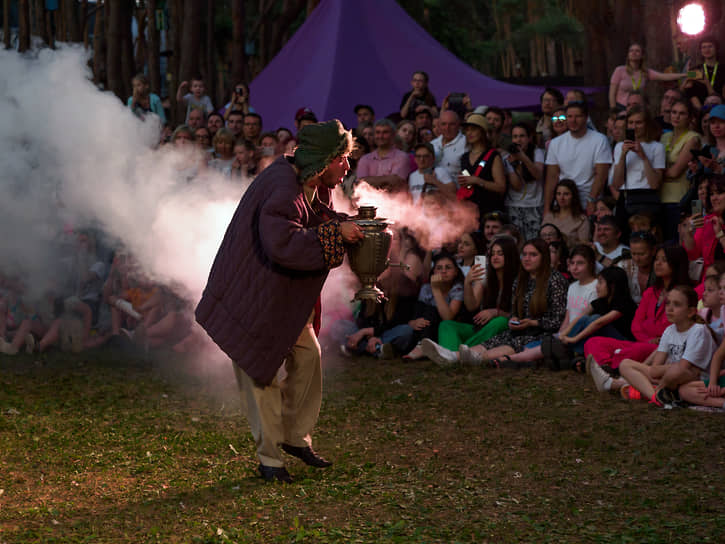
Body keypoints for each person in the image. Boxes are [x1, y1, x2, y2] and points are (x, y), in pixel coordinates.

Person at [195, 119, 364, 483]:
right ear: (325, 159)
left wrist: (347, 223)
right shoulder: (282, 186)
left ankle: (292, 436)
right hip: (251, 296)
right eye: (343, 159)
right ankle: (270, 460)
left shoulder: (314, 180)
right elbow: (283, 243)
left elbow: (318, 219)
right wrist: (336, 232)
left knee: (309, 355)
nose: (348, 167)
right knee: (262, 375)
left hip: (277, 298)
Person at [422, 238, 567, 367]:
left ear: (544, 257)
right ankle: (453, 355)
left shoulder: (555, 280)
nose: (527, 258)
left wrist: (530, 322)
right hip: (517, 329)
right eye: (525, 254)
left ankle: (456, 357)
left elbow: (557, 320)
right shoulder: (521, 280)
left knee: (509, 336)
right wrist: (514, 319)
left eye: (533, 255)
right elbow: (511, 311)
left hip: (542, 332)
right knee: (495, 339)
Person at [584, 244, 690, 376]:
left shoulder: (686, 294)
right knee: (594, 342)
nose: (658, 263)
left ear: (676, 263)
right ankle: (607, 368)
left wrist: (655, 340)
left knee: (637, 350)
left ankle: (608, 369)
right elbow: (636, 325)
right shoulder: (651, 292)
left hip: (661, 348)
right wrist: (647, 339)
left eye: (664, 260)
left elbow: (677, 327)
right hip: (640, 342)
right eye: (656, 259)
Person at [612, 285, 717, 407]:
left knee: (676, 371)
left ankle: (654, 390)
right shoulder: (669, 330)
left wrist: (658, 371)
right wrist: (658, 371)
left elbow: (683, 367)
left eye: (676, 304)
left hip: (693, 380)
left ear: (691, 312)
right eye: (668, 303)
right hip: (668, 378)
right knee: (625, 364)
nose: (669, 309)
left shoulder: (698, 330)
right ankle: (657, 396)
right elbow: (655, 367)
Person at [544, 101, 612, 216]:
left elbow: (601, 174)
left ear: (586, 118)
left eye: (578, 116)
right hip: (563, 204)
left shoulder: (600, 140)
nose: (573, 120)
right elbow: (551, 178)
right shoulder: (555, 144)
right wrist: (547, 208)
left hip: (589, 203)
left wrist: (592, 200)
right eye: (569, 116)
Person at [609, 106, 665, 221]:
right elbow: (616, 183)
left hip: (647, 198)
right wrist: (623, 156)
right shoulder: (620, 146)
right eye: (631, 122)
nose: (634, 127)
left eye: (638, 122)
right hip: (626, 197)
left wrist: (643, 156)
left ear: (646, 124)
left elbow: (655, 184)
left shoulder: (657, 147)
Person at [456, 113, 506, 228]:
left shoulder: (493, 155)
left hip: (490, 212)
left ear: (483, 131)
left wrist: (477, 180)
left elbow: (501, 187)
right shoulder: (464, 157)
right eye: (467, 130)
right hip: (470, 213)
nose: (469, 133)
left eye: (473, 130)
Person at [661, 99, 701, 240]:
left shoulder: (693, 138)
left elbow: (675, 172)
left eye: (682, 113)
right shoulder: (664, 136)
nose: (676, 116)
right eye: (674, 112)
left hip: (679, 199)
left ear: (690, 117)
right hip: (660, 197)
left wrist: (654, 173)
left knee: (675, 243)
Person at [681, 175, 725, 283]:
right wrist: (688, 234)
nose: (714, 198)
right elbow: (694, 254)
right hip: (708, 281)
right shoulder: (708, 221)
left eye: (719, 193)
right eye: (711, 194)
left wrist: (720, 234)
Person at [505, 122, 545, 241]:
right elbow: (517, 185)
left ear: (529, 138)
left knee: (533, 242)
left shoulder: (537, 152)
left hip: (534, 205)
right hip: (514, 206)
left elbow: (538, 175)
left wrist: (524, 158)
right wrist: (515, 165)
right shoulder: (507, 157)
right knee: (516, 243)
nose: (518, 140)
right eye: (515, 136)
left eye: (522, 136)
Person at [356, 119, 412, 191]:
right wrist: (388, 179)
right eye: (377, 132)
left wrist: (369, 180)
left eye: (385, 132)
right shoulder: (365, 159)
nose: (380, 136)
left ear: (393, 134)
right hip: (368, 201)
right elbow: (360, 184)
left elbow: (396, 182)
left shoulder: (402, 157)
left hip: (395, 201)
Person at [542, 179, 590, 248]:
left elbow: (584, 245)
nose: (562, 198)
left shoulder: (581, 219)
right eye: (558, 194)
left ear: (573, 196)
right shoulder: (549, 216)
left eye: (566, 194)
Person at [618, 230, 657, 303]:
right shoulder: (624, 267)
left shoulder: (660, 269)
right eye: (633, 254)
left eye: (642, 254)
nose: (637, 259)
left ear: (653, 251)